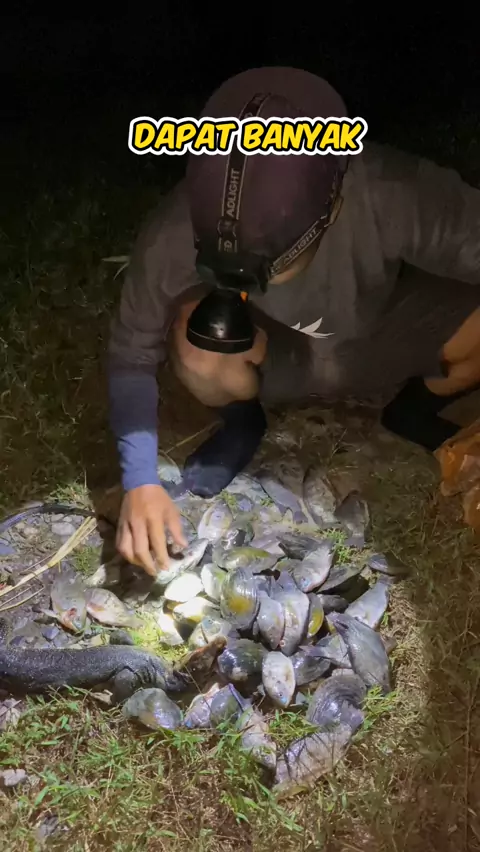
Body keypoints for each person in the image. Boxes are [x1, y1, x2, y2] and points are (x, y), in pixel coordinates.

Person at [107, 66, 480, 576]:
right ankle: (244, 421)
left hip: (380, 336)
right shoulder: (176, 228)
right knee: (196, 338)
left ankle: (414, 411)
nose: (243, 284)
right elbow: (131, 353)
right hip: (277, 357)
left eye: (264, 268)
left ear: (332, 205)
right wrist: (140, 480)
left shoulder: (388, 190)